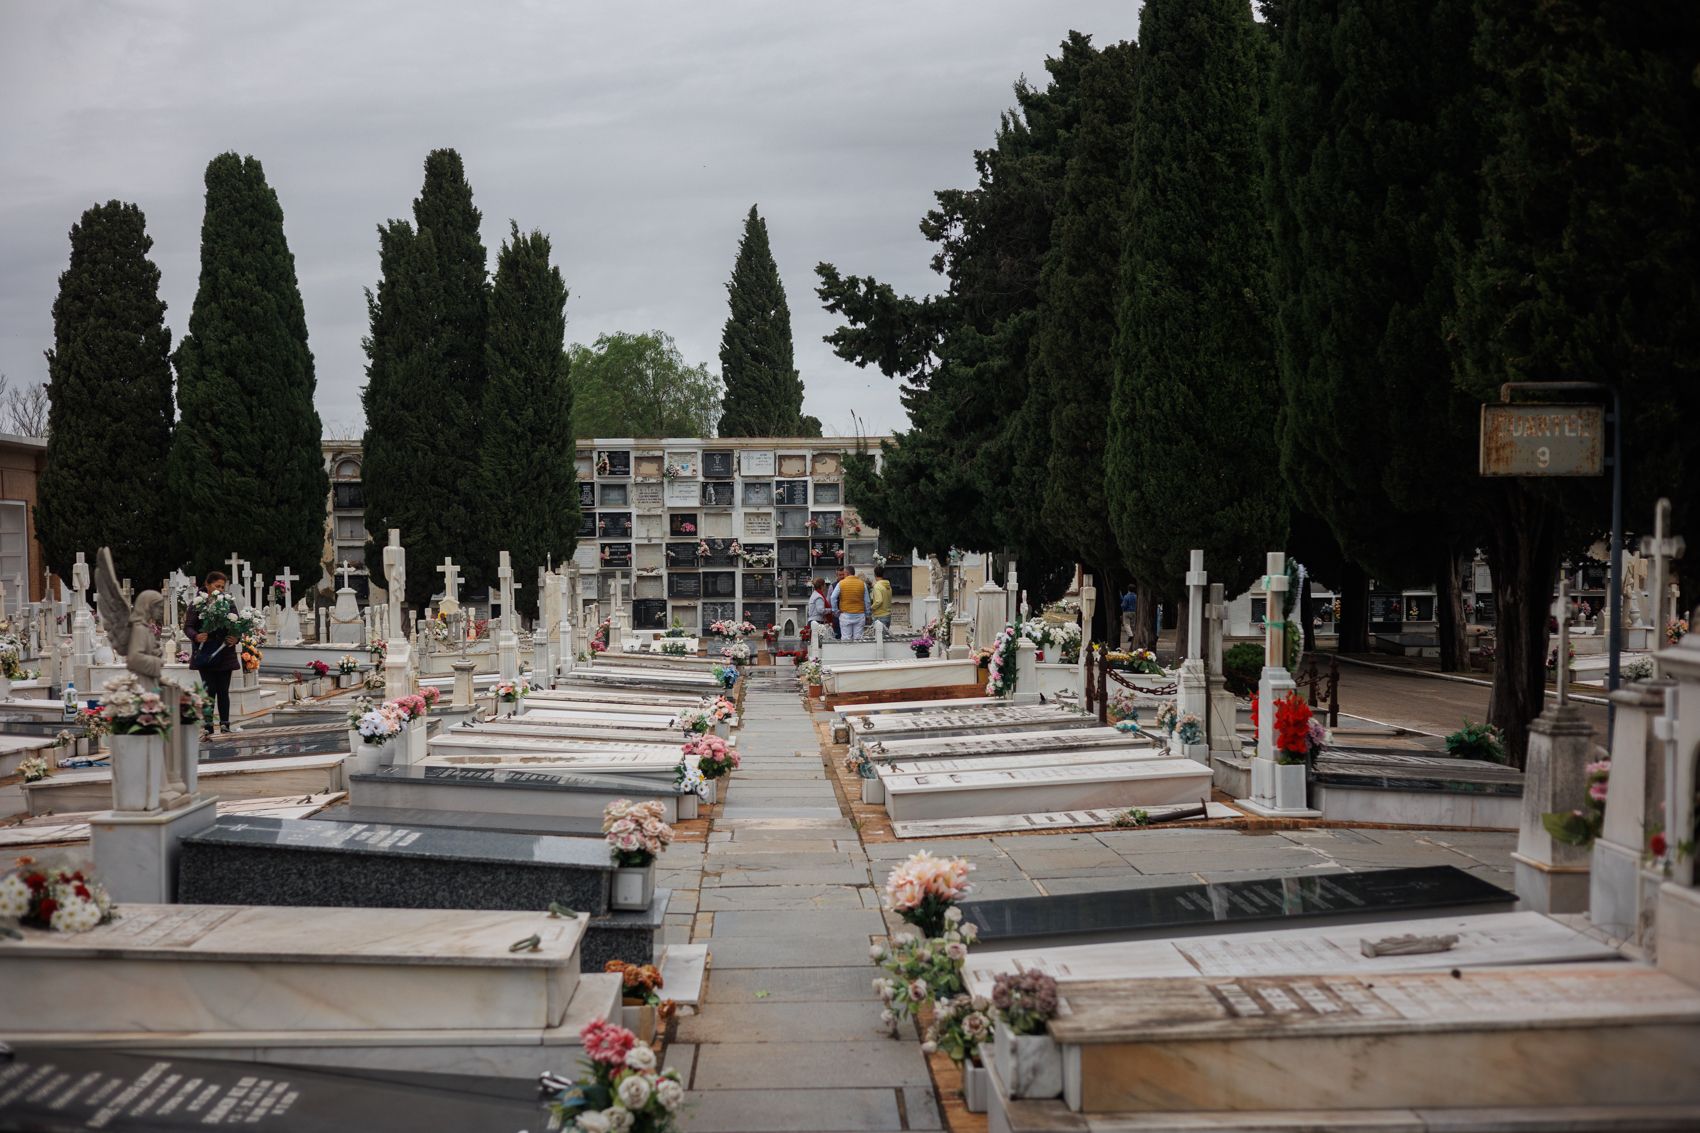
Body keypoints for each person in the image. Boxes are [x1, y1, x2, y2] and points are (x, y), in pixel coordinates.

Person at [185, 570, 240, 738]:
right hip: (206, 652)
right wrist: (196, 636)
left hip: (224, 651)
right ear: (208, 585)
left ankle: (225, 724)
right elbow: (188, 626)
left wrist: (235, 638)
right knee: (209, 691)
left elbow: (236, 624)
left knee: (223, 690)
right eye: (217, 586)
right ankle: (208, 726)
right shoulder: (198, 603)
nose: (220, 590)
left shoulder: (229, 602)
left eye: (223, 587)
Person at [833, 567, 870, 640]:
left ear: (846, 573)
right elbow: (867, 601)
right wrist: (868, 614)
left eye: (844, 574)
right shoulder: (862, 584)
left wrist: (835, 611)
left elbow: (833, 597)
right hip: (859, 615)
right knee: (858, 639)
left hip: (845, 615)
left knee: (846, 639)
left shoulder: (841, 583)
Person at [869, 566, 893, 634]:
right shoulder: (888, 585)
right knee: (885, 640)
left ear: (875, 574)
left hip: (880, 616)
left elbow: (879, 601)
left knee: (879, 640)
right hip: (887, 615)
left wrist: (871, 607)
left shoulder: (877, 586)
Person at [1120, 583, 1139, 651]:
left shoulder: (1126, 596)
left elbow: (1124, 605)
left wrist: (1122, 607)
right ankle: (1134, 635)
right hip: (1134, 611)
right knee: (1133, 625)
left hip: (1127, 611)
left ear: (1128, 589)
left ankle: (1130, 635)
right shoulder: (1136, 596)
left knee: (1126, 624)